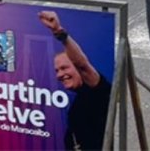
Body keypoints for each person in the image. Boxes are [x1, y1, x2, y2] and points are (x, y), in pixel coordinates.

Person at [39, 11, 111, 150]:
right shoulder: (79, 98)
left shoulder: (98, 91)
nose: (60, 74)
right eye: (57, 70)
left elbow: (82, 64)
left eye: (64, 68)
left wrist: (59, 33)